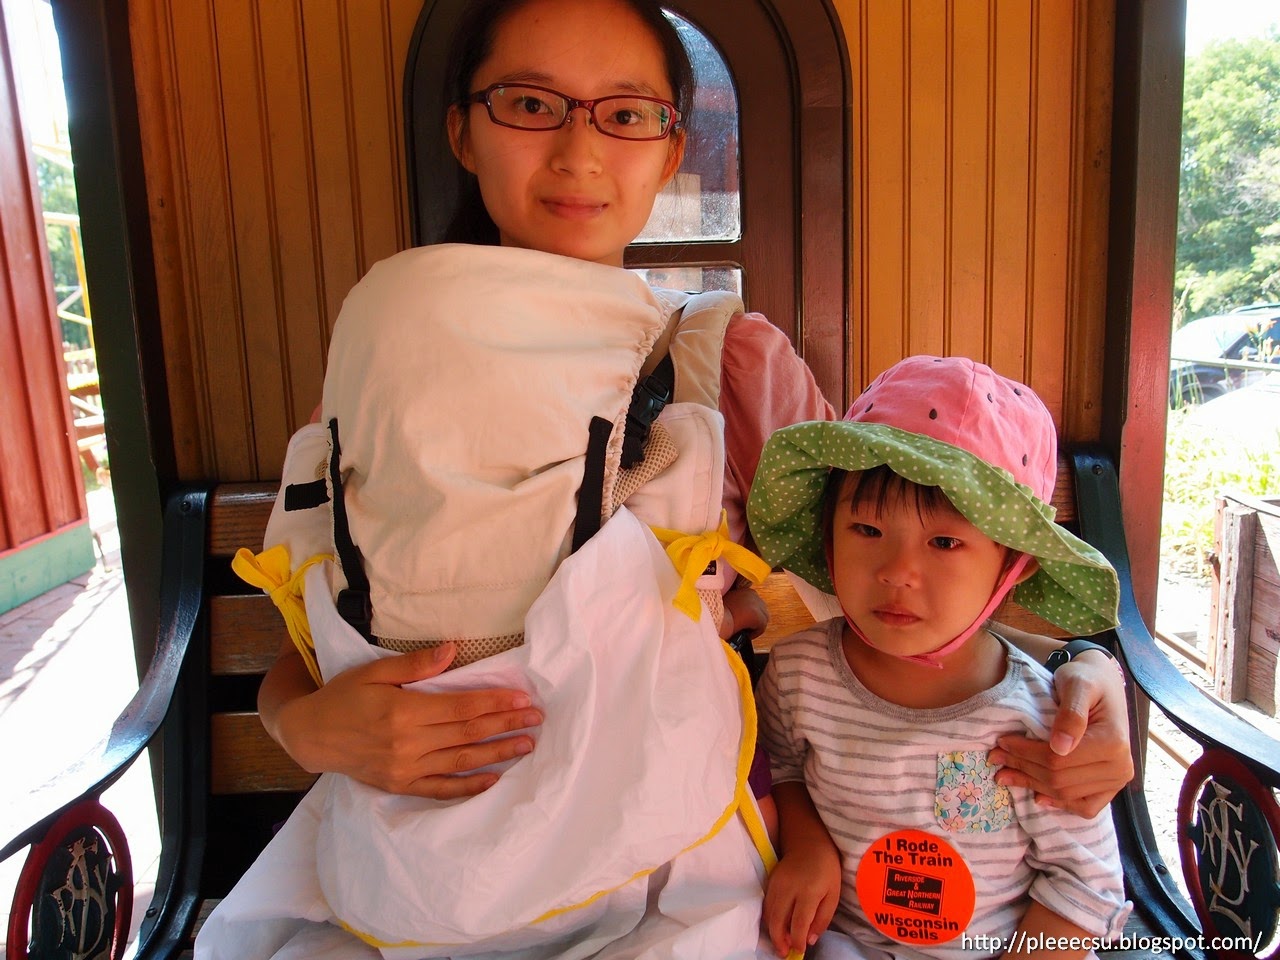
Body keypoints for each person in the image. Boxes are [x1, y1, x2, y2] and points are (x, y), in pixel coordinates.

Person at [203, 0, 1133, 955]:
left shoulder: (732, 364)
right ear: (463, 133)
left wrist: (1084, 672)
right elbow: (325, 634)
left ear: (671, 148)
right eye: (530, 103)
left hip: (672, 880)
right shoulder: (388, 367)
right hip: (413, 872)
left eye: (626, 113)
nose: (578, 153)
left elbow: (907, 577)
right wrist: (302, 728)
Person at [747, 356, 1132, 959]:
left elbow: (1086, 888)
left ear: (1013, 567)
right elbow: (781, 767)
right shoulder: (799, 674)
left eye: (946, 541)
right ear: (828, 533)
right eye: (867, 530)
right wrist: (807, 843)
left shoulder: (1042, 725)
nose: (898, 572)